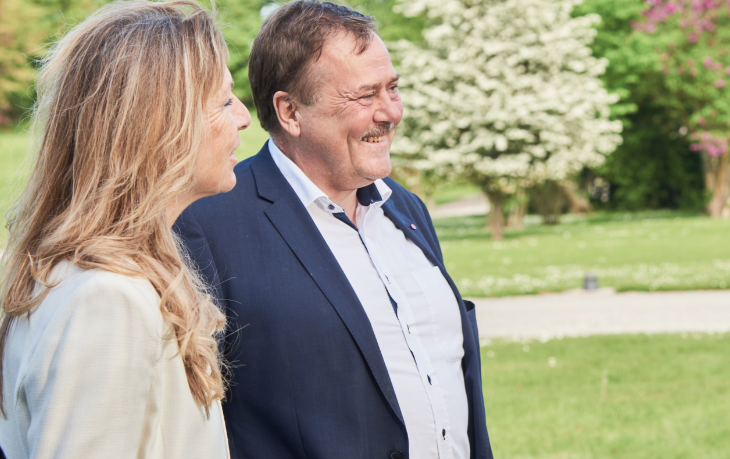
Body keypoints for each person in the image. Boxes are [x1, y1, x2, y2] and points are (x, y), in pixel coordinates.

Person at [174, 2, 492, 458]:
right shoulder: (206, 223)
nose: (390, 112)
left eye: (393, 88)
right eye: (365, 96)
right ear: (290, 112)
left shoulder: (406, 208)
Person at [0, 1, 251, 458]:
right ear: (162, 127)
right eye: (223, 101)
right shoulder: (107, 298)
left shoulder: (107, 277)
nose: (243, 117)